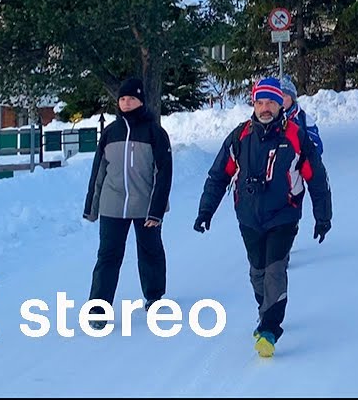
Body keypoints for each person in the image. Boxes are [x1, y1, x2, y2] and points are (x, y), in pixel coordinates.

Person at [194, 76, 332, 358]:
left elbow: (317, 178)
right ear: (253, 104)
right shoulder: (240, 136)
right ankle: (265, 309)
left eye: (271, 102)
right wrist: (205, 211)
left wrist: (323, 216)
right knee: (257, 270)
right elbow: (218, 176)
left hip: (284, 214)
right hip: (248, 216)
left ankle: (269, 329)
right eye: (260, 102)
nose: (265, 108)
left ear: (281, 104)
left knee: (275, 270)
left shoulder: (295, 136)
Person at [83, 77, 174, 329]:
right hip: (112, 205)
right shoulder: (110, 132)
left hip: (145, 205)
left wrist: (157, 210)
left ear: (141, 100)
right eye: (122, 99)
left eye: (131, 98)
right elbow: (99, 171)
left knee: (150, 251)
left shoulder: (155, 132)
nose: (126, 103)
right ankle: (98, 309)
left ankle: (154, 296)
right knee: (107, 256)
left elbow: (164, 173)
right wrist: (91, 206)